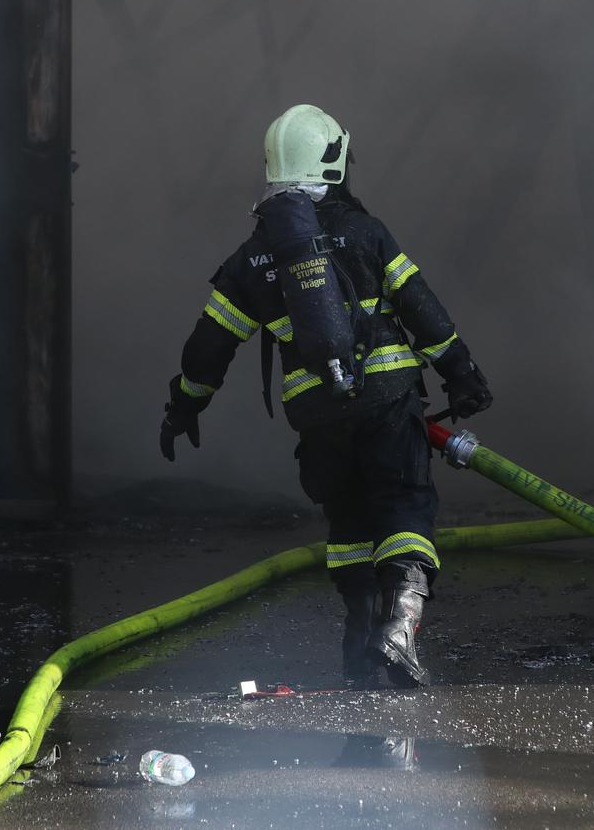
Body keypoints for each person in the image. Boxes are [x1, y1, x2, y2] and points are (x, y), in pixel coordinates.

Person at [159, 104, 492, 688]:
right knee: (404, 508)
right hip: (388, 399)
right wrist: (461, 374)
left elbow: (208, 347)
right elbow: (424, 311)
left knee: (349, 526)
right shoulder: (366, 232)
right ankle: (401, 625)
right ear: (334, 159)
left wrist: (185, 404)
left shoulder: (253, 258)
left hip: (317, 416)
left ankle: (361, 642)